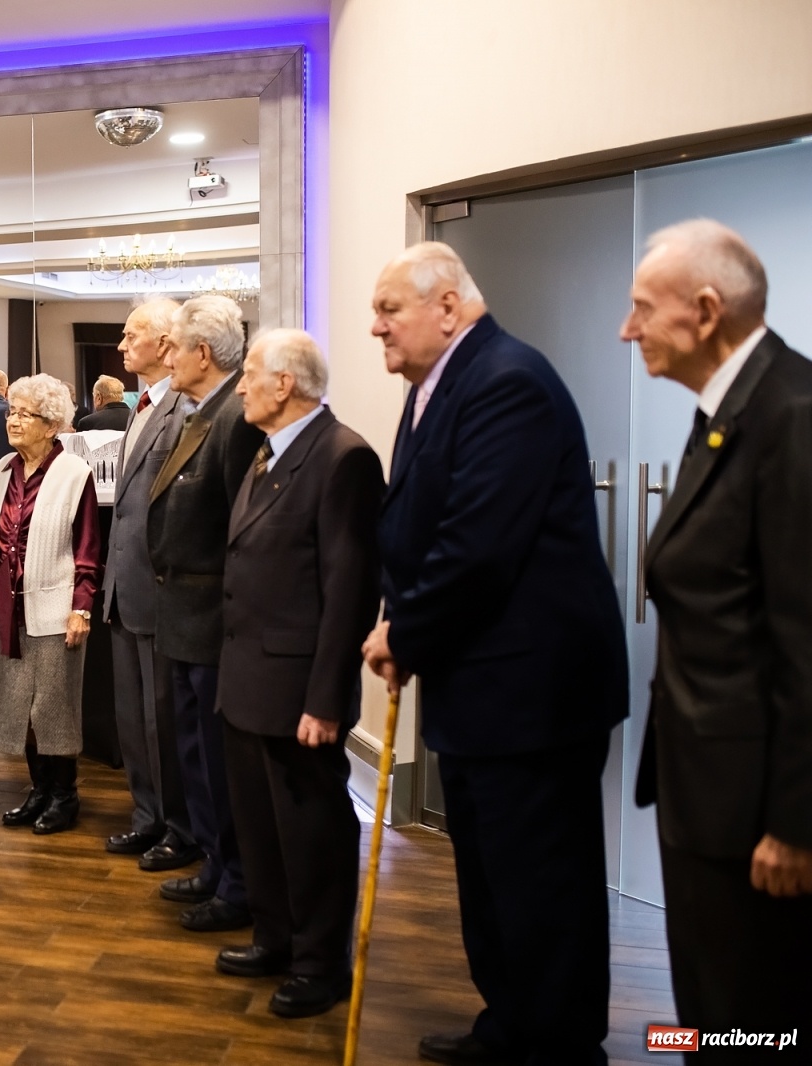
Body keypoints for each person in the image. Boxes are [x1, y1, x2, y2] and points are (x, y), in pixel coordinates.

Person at [361, 242, 627, 1065]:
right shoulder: (434, 388)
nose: (375, 328)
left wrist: (404, 632)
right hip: (479, 689)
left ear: (448, 306)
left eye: (389, 310)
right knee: (491, 881)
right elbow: (415, 530)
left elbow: (478, 547)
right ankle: (510, 1024)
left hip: (533, 696)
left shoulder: (508, 381)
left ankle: (556, 1043)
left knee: (541, 888)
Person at [621, 220, 812, 1035]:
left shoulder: (792, 414)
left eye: (642, 310)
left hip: (757, 819)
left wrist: (797, 824)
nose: (627, 330)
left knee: (752, 1025)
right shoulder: (726, 408)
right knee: (709, 1012)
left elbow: (806, 641)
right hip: (708, 794)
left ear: (705, 311)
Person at [216, 329, 383, 1019]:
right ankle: (276, 937)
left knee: (311, 831)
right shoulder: (266, 453)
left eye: (250, 373)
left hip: (298, 692)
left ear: (285, 384)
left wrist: (326, 699)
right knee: (260, 827)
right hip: (248, 682)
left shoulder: (343, 458)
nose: (242, 385)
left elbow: (349, 592)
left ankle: (320, 964)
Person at [148, 294, 264, 933]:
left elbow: (237, 525)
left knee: (217, 761)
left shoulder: (234, 418)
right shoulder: (201, 414)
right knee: (194, 753)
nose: (167, 357)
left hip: (210, 613)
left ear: (201, 352)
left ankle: (238, 883)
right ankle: (218, 866)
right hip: (183, 611)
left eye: (174, 346)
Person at [101, 299, 198, 872]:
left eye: (131, 335)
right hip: (125, 586)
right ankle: (147, 817)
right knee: (132, 719)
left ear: (165, 344)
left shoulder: (185, 410)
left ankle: (180, 829)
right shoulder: (140, 407)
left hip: (160, 590)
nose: (121, 345)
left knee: (165, 720)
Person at [0, 373, 101, 836]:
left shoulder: (75, 474)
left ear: (51, 424)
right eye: (11, 411)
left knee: (54, 707)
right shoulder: (2, 470)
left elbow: (89, 548)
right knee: (20, 707)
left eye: (23, 414)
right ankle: (37, 789)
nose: (12, 420)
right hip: (8, 608)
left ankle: (64, 794)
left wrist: (82, 606)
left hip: (55, 607)